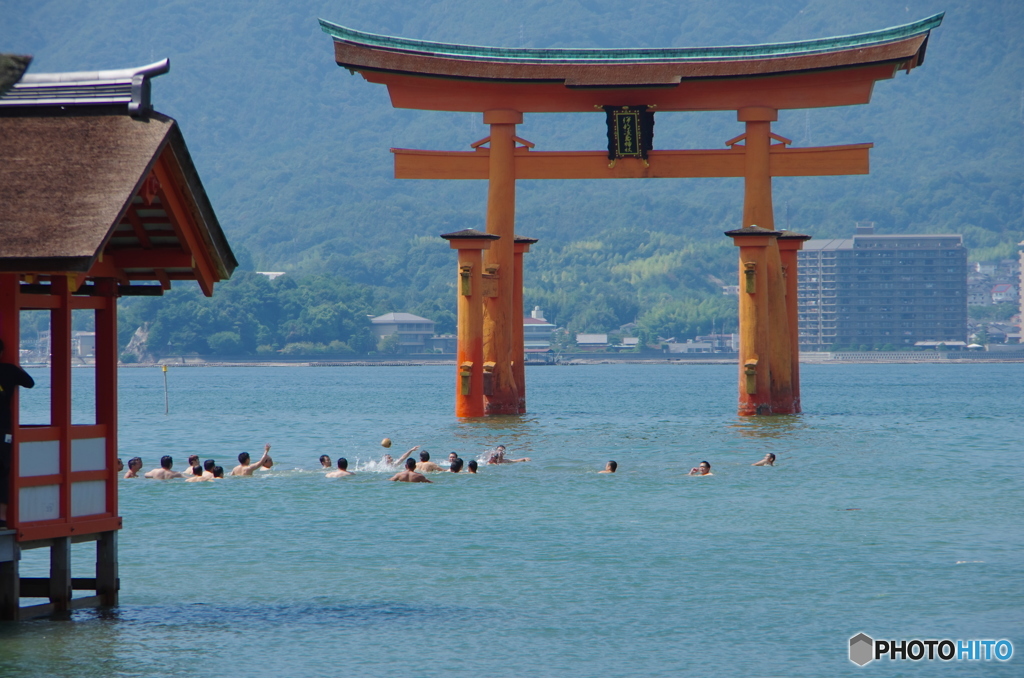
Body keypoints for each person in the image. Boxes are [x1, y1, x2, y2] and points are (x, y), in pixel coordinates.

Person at [0, 338, 35, 528]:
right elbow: (29, 383)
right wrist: (16, 367)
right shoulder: (9, 370)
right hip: (3, 428)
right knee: (3, 471)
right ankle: (3, 517)